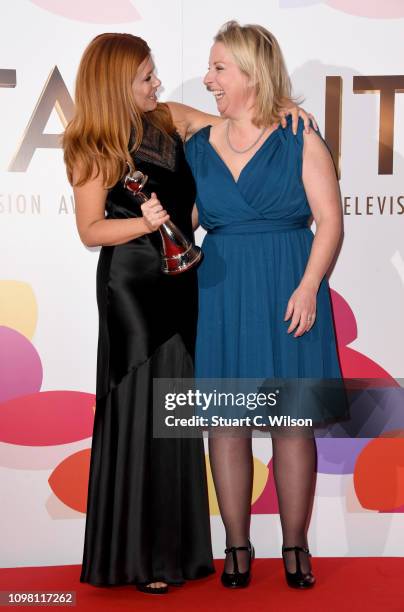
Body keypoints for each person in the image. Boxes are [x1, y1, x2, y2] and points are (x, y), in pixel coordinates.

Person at [62, 32, 314, 595]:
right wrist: (147, 224)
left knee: (177, 420)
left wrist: (286, 108)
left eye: (154, 74)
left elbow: (239, 123)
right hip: (131, 287)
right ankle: (136, 558)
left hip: (186, 282)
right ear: (115, 85)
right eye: (146, 77)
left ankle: (177, 553)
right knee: (140, 415)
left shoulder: (170, 118)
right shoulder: (89, 144)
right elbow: (89, 231)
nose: (158, 84)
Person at [182, 21, 348, 590]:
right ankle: (236, 547)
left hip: (288, 289)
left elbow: (330, 221)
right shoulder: (197, 148)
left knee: (291, 425)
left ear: (252, 74)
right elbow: (188, 226)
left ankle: (296, 546)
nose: (208, 79)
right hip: (222, 295)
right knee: (225, 426)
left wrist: (308, 286)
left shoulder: (301, 137)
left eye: (219, 68)